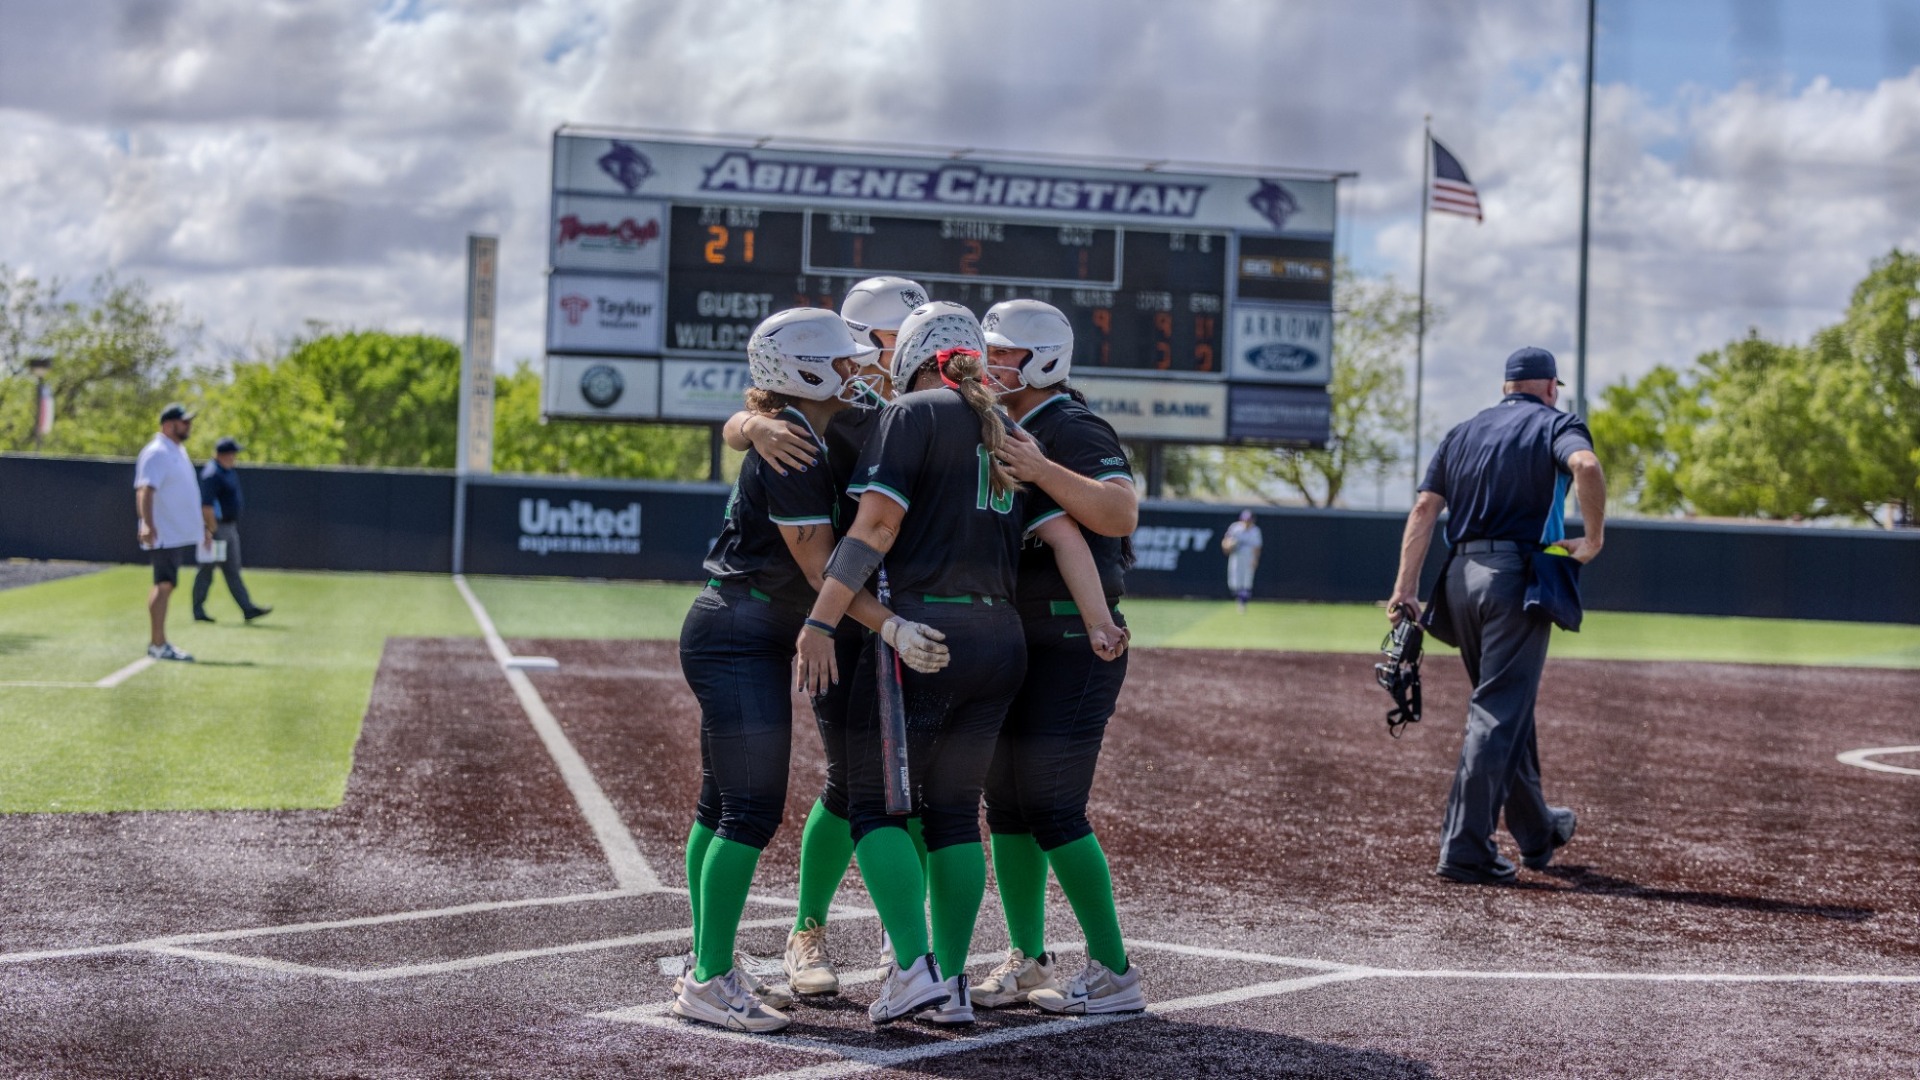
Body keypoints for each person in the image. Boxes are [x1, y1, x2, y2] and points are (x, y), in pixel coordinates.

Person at [793, 301, 1112, 1027]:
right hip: (1001, 638)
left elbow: (876, 526)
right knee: (955, 815)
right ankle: (955, 983)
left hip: (924, 632)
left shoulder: (912, 414)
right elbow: (1066, 534)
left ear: (911, 357)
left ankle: (914, 971)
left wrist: (821, 618)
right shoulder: (1009, 427)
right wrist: (1099, 622)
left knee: (875, 806)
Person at [673, 307, 950, 1034]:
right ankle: (707, 979)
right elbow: (820, 567)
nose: (858, 368)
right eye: (843, 359)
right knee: (747, 809)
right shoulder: (793, 439)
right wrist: (888, 625)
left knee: (721, 805)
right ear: (803, 371)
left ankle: (708, 961)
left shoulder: (812, 425)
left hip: (745, 624)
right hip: (742, 627)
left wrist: (746, 423)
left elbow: (745, 425)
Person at [722, 275, 930, 998]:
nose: (907, 350)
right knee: (852, 781)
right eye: (894, 338)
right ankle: (807, 929)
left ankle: (907, 933)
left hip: (915, 606)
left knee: (922, 785)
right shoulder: (841, 409)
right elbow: (747, 420)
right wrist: (748, 425)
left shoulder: (922, 407)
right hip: (847, 610)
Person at [974, 298, 1145, 1015]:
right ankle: (1028, 956)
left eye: (1004, 352)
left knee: (1051, 804)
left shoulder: (1070, 424)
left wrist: (1042, 469)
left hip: (1073, 637)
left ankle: (1114, 970)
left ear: (1043, 359)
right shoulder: (995, 420)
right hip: (1020, 635)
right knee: (1008, 807)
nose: (990, 363)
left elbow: (1119, 511)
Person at [1386, 346, 1606, 885]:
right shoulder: (1557, 424)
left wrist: (1405, 589)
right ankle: (1465, 849)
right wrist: (1594, 539)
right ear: (1550, 387)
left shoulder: (1462, 432)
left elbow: (1424, 508)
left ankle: (1538, 831)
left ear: (1506, 387)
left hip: (1458, 581)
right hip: (1516, 580)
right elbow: (1586, 465)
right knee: (1497, 710)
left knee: (1507, 705)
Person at [134, 403, 208, 662]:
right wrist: (146, 523)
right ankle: (158, 644)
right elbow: (145, 489)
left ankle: (159, 643)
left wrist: (201, 527)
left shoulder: (176, 450)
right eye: (183, 421)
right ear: (168, 425)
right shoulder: (156, 452)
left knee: (167, 584)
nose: (188, 425)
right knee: (164, 584)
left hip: (175, 533)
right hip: (163, 532)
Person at [193, 437, 272, 623]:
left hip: (229, 528)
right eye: (232, 453)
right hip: (216, 529)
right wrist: (210, 530)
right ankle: (198, 610)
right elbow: (206, 506)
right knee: (207, 570)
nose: (234, 457)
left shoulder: (227, 471)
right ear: (224, 454)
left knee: (232, 570)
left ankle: (247, 608)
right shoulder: (213, 473)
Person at [1222, 510, 1262, 609]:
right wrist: (1228, 546)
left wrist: (1255, 559)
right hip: (1236, 556)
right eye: (1245, 520)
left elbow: (1257, 547)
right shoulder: (1235, 528)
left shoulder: (1255, 531)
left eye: (1249, 520)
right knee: (1234, 580)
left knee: (1247, 580)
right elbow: (1226, 542)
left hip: (1249, 557)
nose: (1246, 522)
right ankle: (1240, 599)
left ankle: (1243, 602)